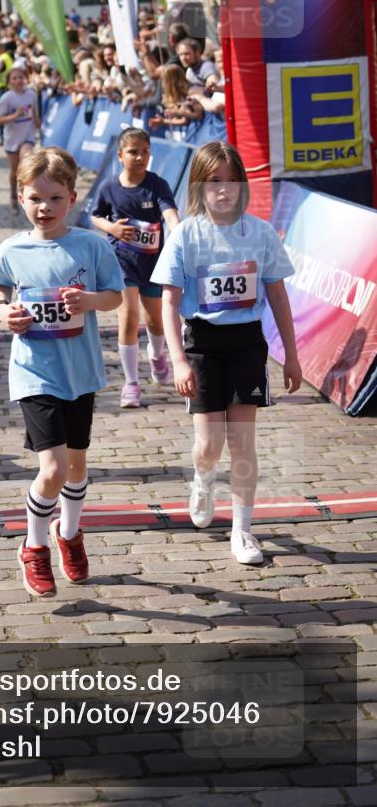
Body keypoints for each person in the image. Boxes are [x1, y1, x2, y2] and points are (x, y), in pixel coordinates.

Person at [152, 142, 302, 565]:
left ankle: (243, 530)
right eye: (214, 181)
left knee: (242, 443)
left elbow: (277, 293)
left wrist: (291, 354)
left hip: (246, 343)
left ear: (243, 184)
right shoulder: (185, 234)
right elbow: (168, 299)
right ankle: (202, 479)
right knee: (209, 444)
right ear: (199, 185)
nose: (224, 189)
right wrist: (178, 358)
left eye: (231, 180)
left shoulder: (259, 233)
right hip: (201, 343)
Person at [0, 147, 123, 598]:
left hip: (80, 371)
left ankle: (70, 534)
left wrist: (90, 302)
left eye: (55, 198)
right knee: (54, 468)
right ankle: (35, 546)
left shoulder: (91, 244)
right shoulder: (11, 249)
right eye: (35, 198)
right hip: (34, 371)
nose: (45, 207)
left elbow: (115, 297)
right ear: (20, 197)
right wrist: (4, 311)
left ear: (73, 199)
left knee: (78, 466)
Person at [91, 127, 180, 407]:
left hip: (154, 264)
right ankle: (131, 383)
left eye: (145, 151)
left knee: (155, 321)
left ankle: (156, 355)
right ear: (120, 156)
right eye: (133, 152)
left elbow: (170, 214)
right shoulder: (109, 187)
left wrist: (179, 234)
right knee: (128, 317)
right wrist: (112, 228)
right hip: (123, 262)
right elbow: (95, 216)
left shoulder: (157, 185)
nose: (140, 157)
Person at [0, 66, 41, 215]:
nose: (18, 80)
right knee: (15, 172)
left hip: (27, 136)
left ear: (25, 78)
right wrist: (15, 115)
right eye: (14, 78)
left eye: (21, 77)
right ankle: (13, 197)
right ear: (9, 81)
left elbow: (34, 111)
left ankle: (31, 197)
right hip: (12, 139)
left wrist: (36, 120)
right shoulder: (7, 97)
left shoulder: (31, 94)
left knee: (28, 160)